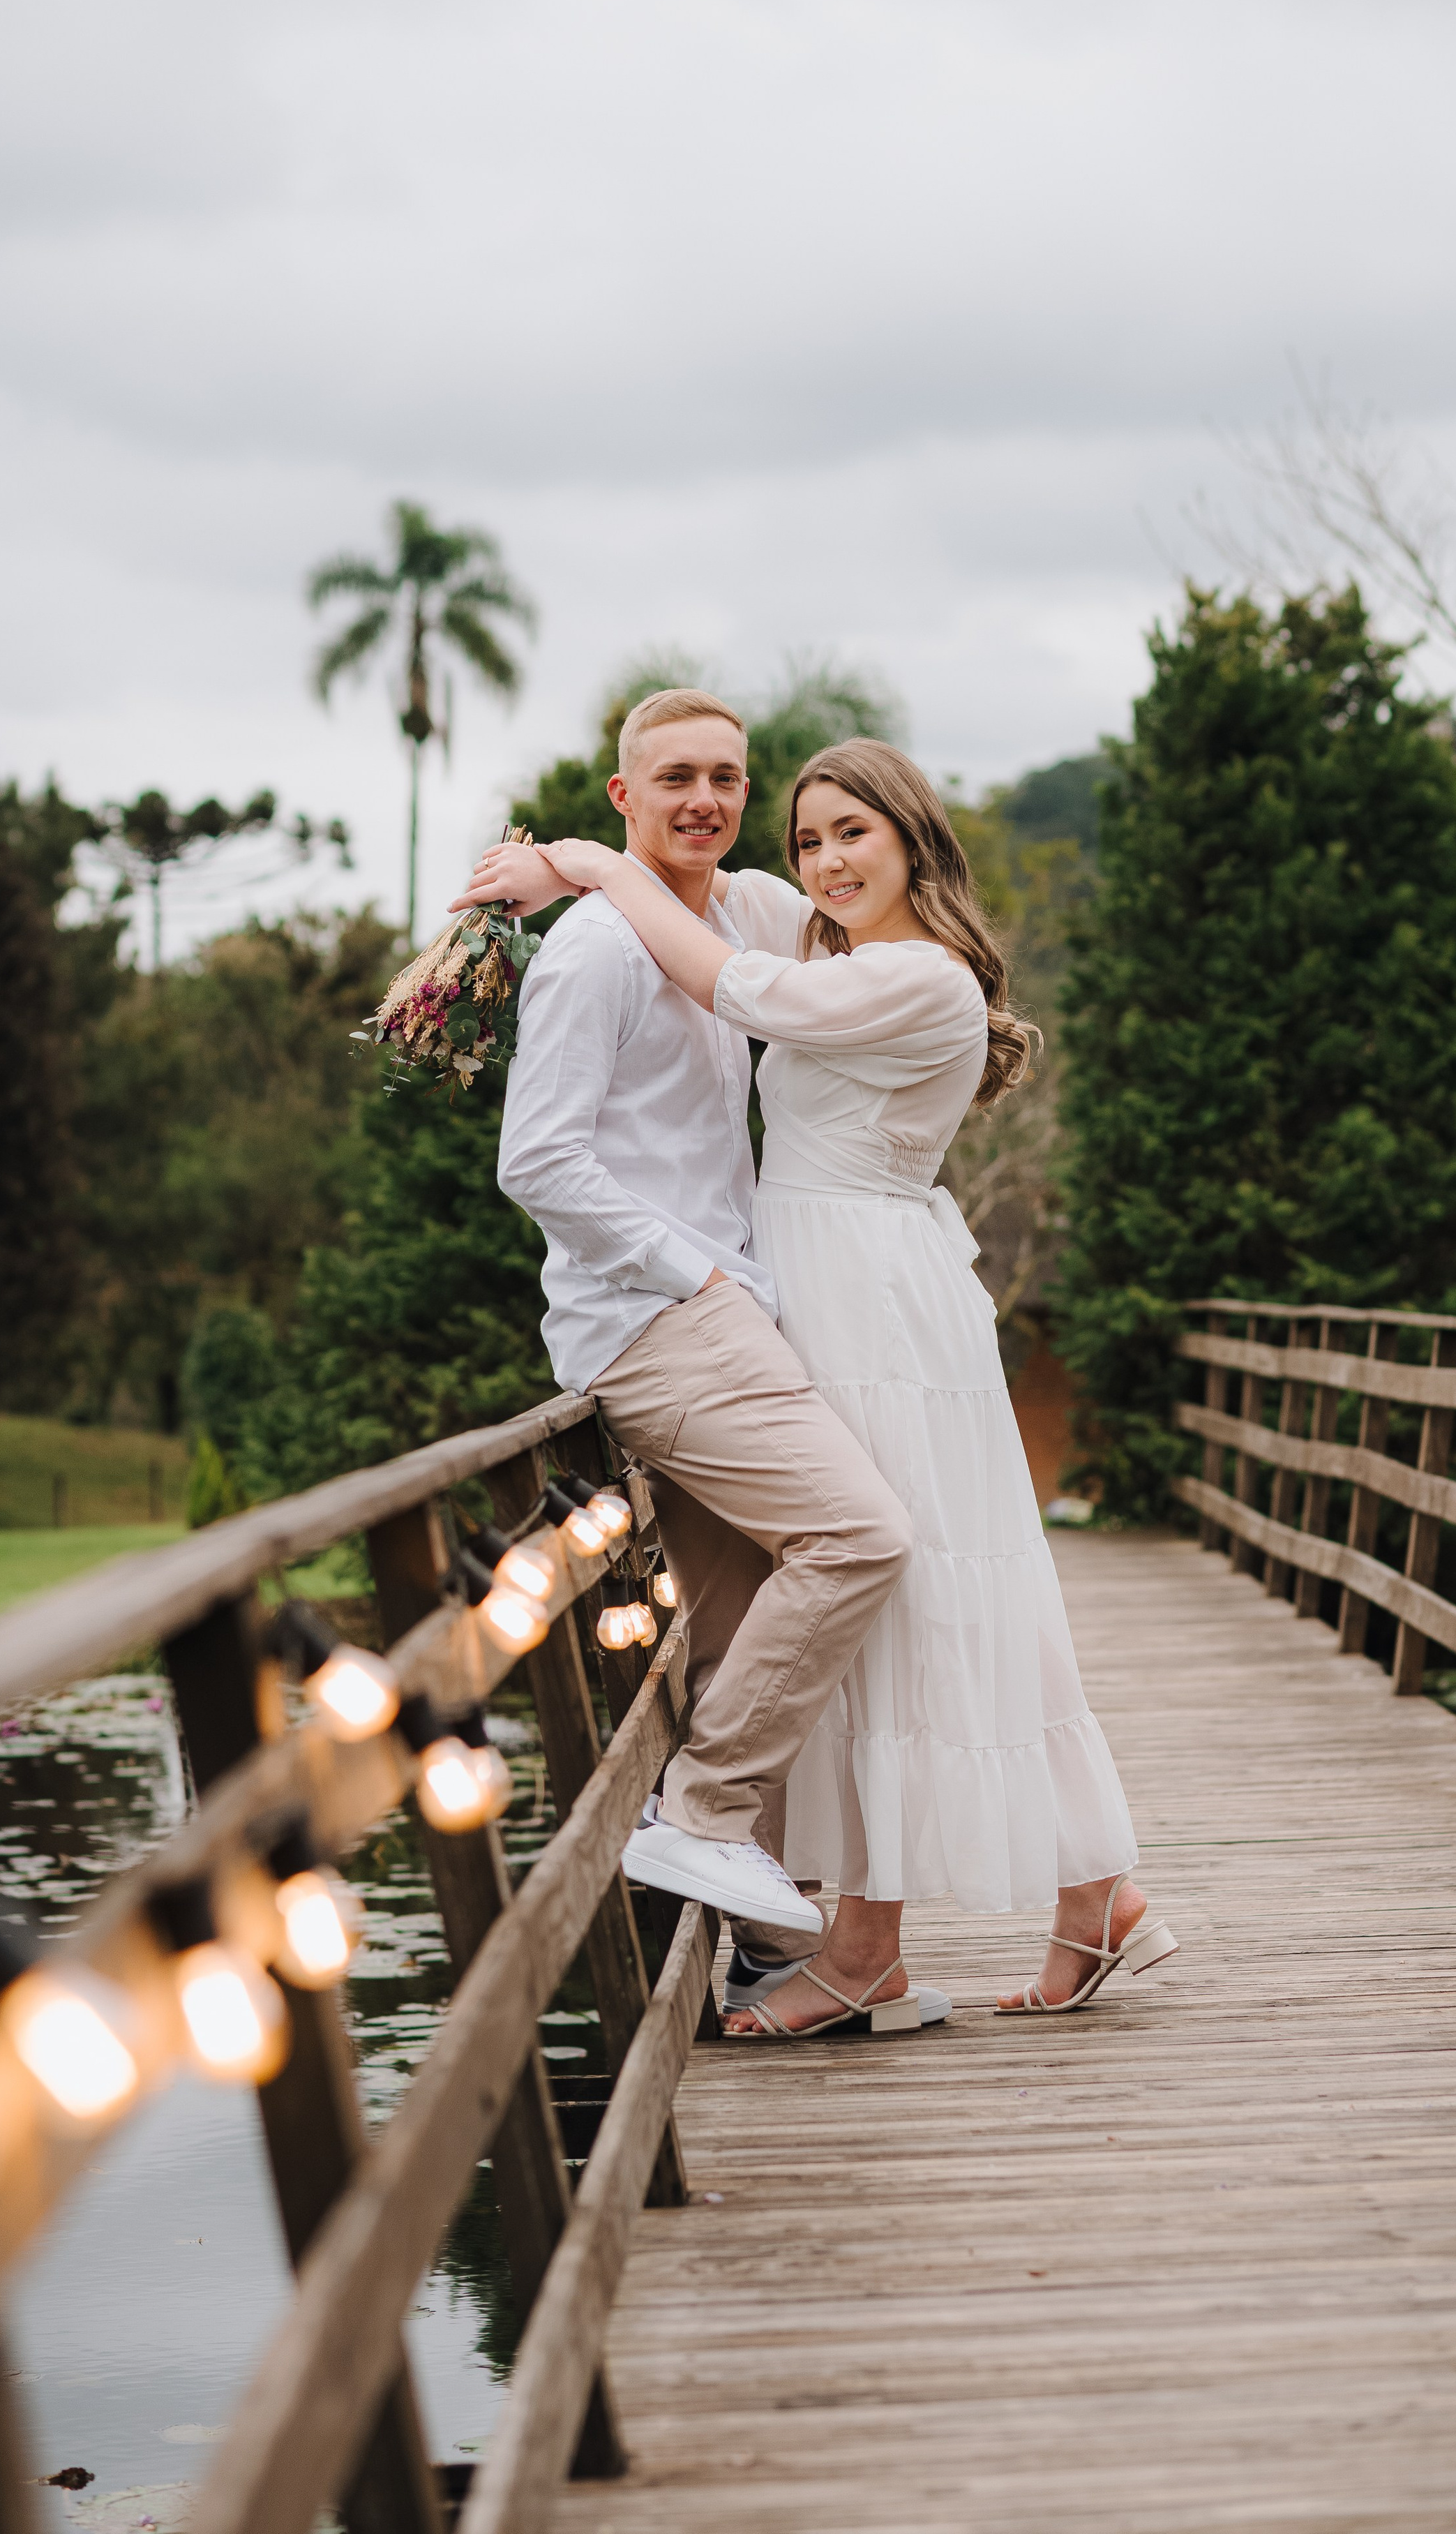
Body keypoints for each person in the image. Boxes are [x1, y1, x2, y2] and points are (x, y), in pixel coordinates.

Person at [464, 729, 1176, 2033]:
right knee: (912, 1588)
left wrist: (585, 868)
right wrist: (563, 873)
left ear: (915, 837)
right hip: (813, 1286)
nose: (828, 860)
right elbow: (699, 889)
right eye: (811, 838)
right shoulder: (824, 932)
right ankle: (1083, 1896)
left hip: (869, 1298)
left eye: (857, 832)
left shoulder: (921, 979)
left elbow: (737, 984)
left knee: (901, 1580)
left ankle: (884, 1942)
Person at [484, 687, 915, 1976]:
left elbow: (863, 913)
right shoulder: (598, 953)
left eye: (728, 778)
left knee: (733, 1633)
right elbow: (539, 1161)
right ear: (626, 796)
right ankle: (702, 1813)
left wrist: (562, 858)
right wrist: (699, 1281)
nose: (707, 801)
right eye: (675, 778)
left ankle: (768, 1949)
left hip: (729, 1309)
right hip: (662, 1323)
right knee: (858, 1536)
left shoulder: (736, 915)